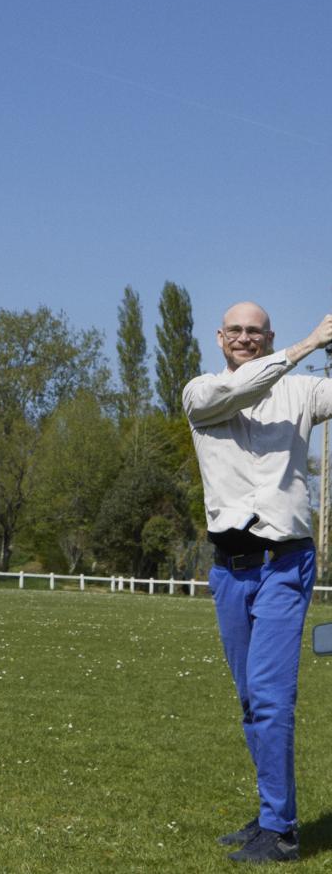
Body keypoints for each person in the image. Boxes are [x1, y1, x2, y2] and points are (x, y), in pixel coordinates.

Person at [183, 301, 332, 864]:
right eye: (237, 331)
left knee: (270, 698)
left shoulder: (300, 393)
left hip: (284, 565)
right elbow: (241, 391)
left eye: (256, 332)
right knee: (250, 701)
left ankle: (281, 829)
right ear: (221, 338)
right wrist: (305, 345)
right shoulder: (201, 393)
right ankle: (271, 812)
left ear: (267, 336)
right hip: (229, 570)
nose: (246, 338)